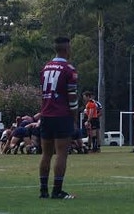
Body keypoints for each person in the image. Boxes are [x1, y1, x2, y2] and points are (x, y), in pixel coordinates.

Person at [38, 36, 79, 200]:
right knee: (62, 154)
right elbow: (72, 98)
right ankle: (57, 190)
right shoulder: (69, 69)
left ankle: (43, 191)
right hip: (62, 115)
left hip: (46, 114)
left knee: (46, 154)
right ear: (66, 49)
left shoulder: (45, 67)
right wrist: (74, 118)